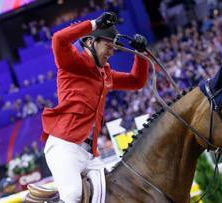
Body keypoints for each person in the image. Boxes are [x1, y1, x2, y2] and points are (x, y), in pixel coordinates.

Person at [40, 12, 149, 202]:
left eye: (113, 48)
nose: (111, 52)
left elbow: (136, 81)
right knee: (73, 195)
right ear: (91, 42)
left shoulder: (105, 74)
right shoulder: (72, 62)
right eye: (108, 46)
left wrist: (141, 54)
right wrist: (93, 24)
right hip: (64, 147)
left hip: (90, 154)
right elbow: (59, 39)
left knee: (113, 194)